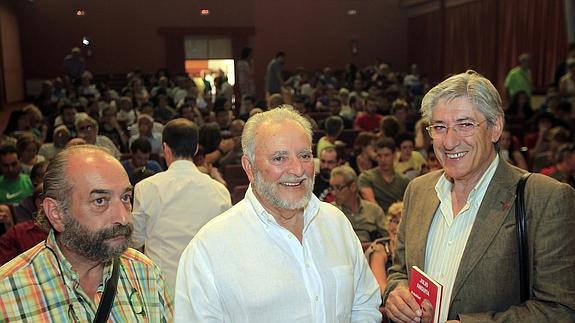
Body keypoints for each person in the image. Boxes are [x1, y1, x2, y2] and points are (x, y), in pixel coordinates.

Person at [384, 70, 575, 322]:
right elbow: (400, 270)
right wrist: (397, 293)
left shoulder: (545, 198)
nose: (449, 142)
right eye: (439, 127)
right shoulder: (418, 191)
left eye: (465, 124)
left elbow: (560, 310)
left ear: (496, 127)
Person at [174, 106, 382, 322]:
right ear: (249, 167)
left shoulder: (336, 223)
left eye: (304, 155)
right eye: (279, 158)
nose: (298, 169)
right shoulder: (209, 249)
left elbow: (364, 305)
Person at [0, 145, 173, 321]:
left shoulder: (145, 273)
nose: (122, 217)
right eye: (100, 201)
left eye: (125, 198)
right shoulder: (7, 294)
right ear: (56, 213)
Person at [131, 118, 231, 299]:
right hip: (206, 288)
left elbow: (135, 240)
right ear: (195, 149)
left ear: (165, 149)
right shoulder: (219, 191)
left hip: (161, 288)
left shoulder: (146, 188)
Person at [329, 165, 387, 243]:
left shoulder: (374, 210)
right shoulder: (330, 211)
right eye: (332, 188)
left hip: (371, 251)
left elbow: (387, 237)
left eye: (338, 188)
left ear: (353, 186)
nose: (333, 193)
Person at [358, 137, 410, 212]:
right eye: (379, 156)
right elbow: (371, 202)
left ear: (394, 155)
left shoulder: (404, 180)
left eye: (386, 155)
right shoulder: (366, 177)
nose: (382, 160)